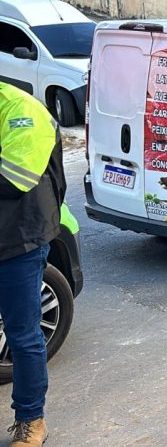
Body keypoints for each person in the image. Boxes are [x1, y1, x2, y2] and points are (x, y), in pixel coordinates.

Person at [0, 82, 65, 447]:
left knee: (22, 336)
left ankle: (31, 420)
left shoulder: (21, 109)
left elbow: (14, 179)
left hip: (17, 241)